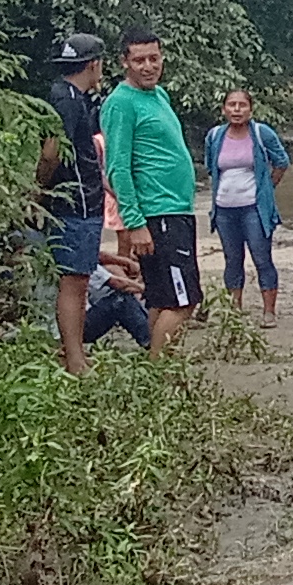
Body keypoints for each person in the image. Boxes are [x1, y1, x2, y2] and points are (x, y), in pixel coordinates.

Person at [98, 24, 199, 356]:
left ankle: (154, 370)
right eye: (139, 60)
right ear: (124, 62)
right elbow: (117, 167)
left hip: (176, 210)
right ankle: (161, 370)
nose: (148, 66)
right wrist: (135, 222)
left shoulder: (159, 95)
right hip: (158, 214)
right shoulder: (121, 103)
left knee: (160, 299)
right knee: (183, 301)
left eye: (154, 58)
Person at [37, 32, 108, 375]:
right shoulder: (66, 100)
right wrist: (39, 190)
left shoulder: (72, 97)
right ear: (93, 65)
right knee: (74, 281)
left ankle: (75, 351)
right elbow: (52, 151)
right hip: (74, 203)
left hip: (84, 200)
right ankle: (74, 358)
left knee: (79, 279)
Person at [201, 89, 290, 329]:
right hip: (223, 210)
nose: (237, 110)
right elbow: (211, 168)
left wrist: (267, 188)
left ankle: (269, 312)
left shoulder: (261, 133)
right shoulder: (215, 136)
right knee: (232, 260)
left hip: (254, 209)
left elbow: (282, 162)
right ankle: (235, 311)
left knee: (262, 259)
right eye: (232, 105)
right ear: (224, 109)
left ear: (251, 109)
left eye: (242, 105)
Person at [78, 244, 152, 353]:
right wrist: (146, 289)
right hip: (77, 326)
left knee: (113, 271)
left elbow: (100, 256)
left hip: (73, 322)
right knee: (120, 300)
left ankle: (152, 333)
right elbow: (119, 283)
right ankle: (151, 342)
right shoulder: (81, 263)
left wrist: (125, 262)